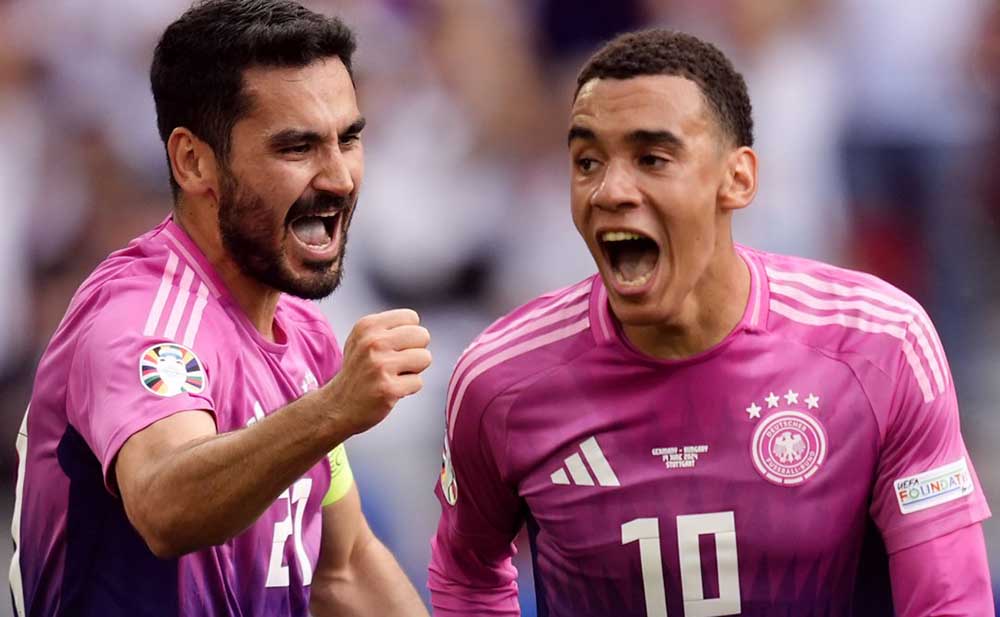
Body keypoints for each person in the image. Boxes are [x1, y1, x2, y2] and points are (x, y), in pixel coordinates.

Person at [428, 29, 994, 617]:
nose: (609, 190)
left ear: (738, 178)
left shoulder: (880, 345)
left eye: (652, 159)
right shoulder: (502, 381)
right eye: (587, 161)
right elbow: (467, 573)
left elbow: (949, 602)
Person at [10, 1, 432, 615]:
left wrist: (328, 410)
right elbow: (164, 506)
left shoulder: (304, 334)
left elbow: (343, 568)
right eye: (297, 147)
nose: (339, 177)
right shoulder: (141, 316)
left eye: (348, 139)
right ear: (193, 161)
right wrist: (333, 409)